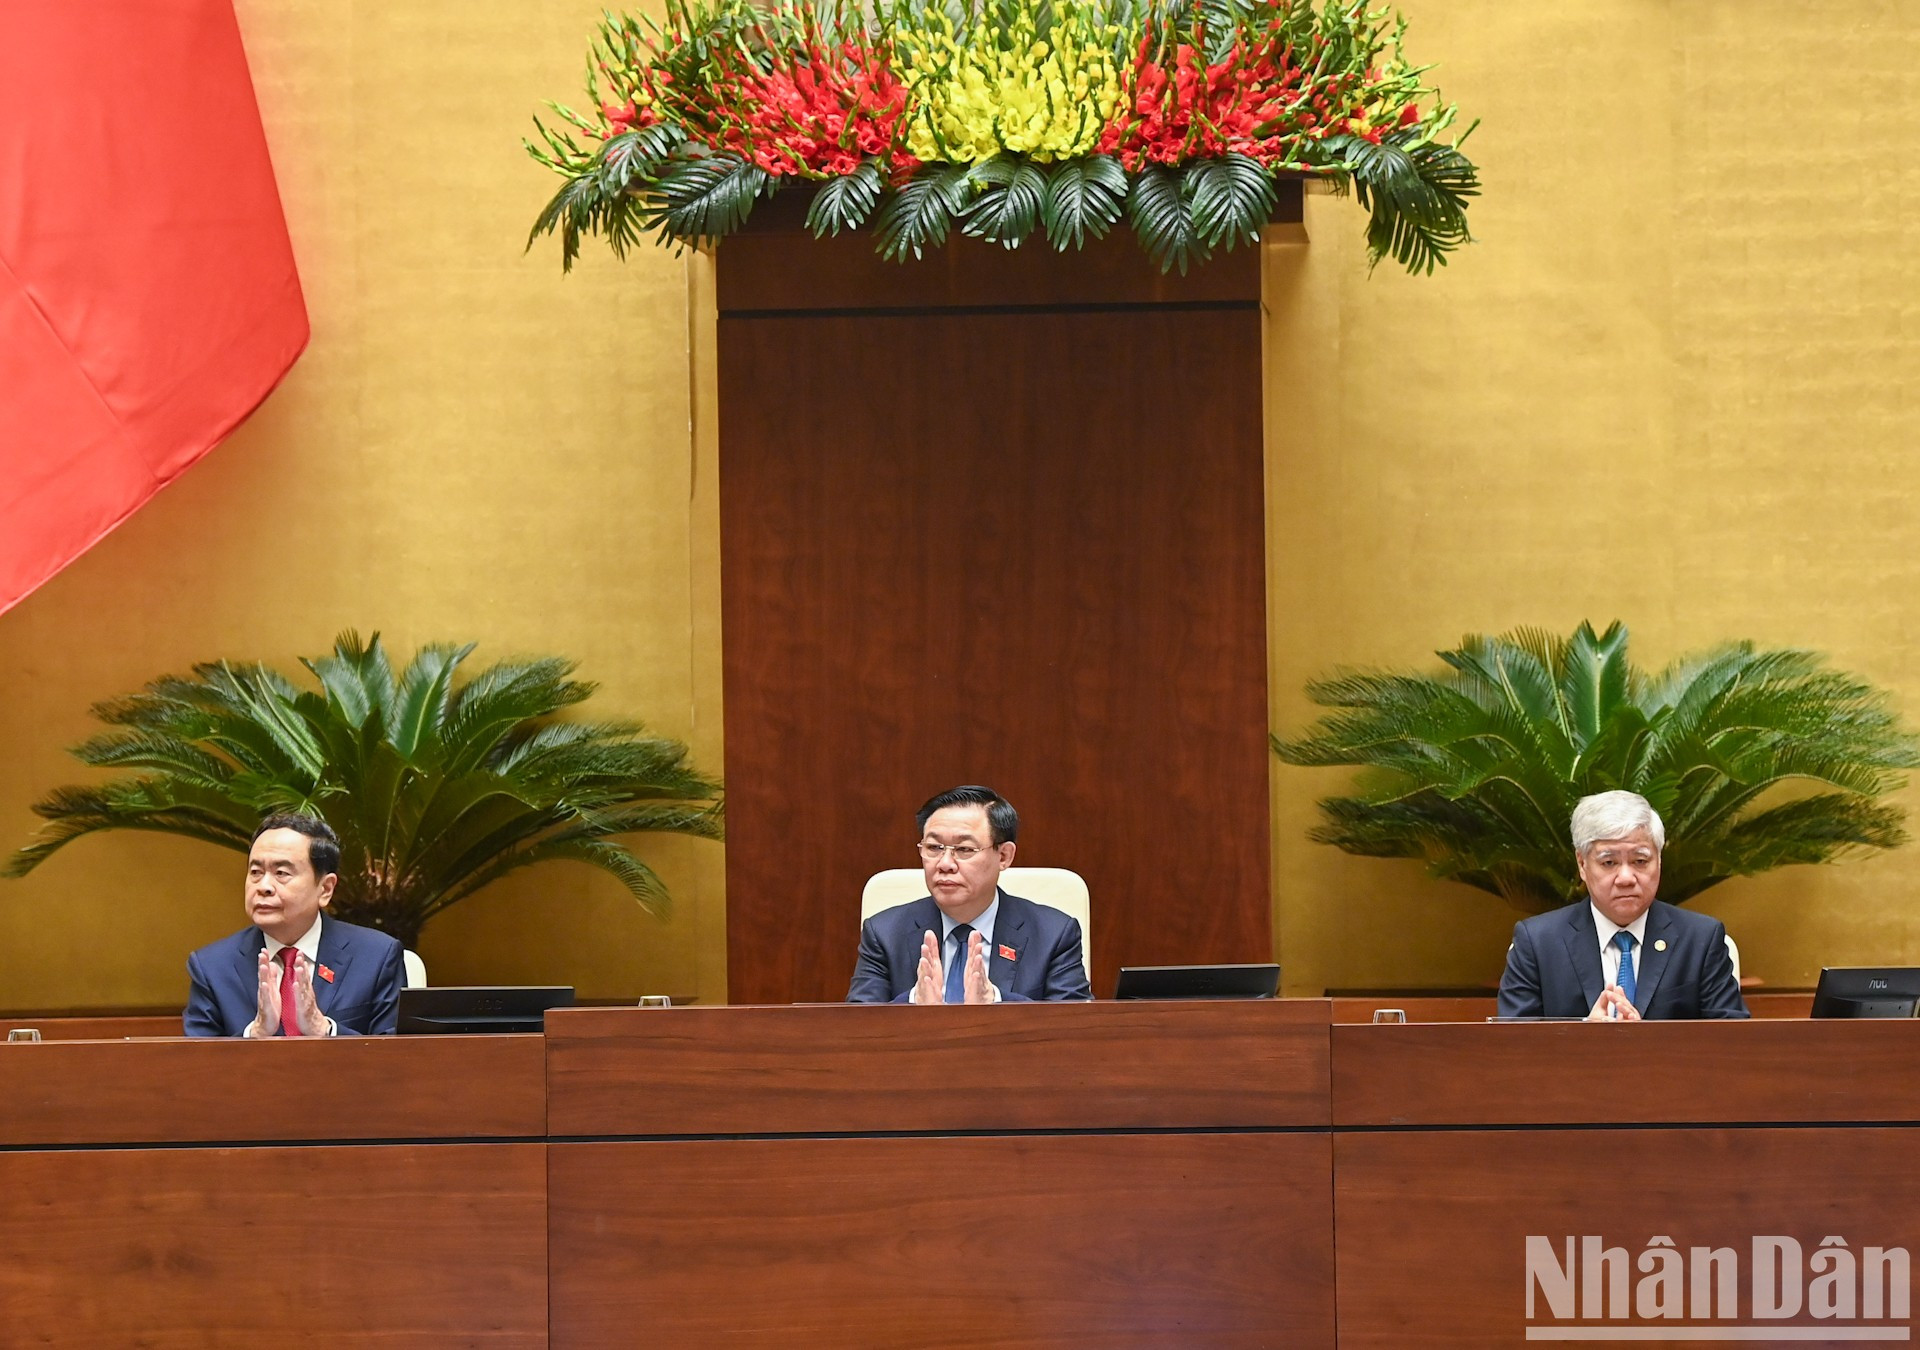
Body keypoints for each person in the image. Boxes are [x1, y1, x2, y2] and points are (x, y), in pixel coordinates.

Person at [1497, 790, 1748, 1021]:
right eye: (1609, 863)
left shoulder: (1701, 940)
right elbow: (1513, 1045)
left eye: (1640, 860)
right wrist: (1584, 1035)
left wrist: (1644, 1044)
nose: (1626, 878)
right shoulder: (1538, 943)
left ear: (1659, 861)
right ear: (1582, 864)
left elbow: (1732, 1045)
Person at [848, 785, 1091, 1003]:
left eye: (964, 849)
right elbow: (855, 1031)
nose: (944, 863)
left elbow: (1077, 1029)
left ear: (1004, 856)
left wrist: (995, 999)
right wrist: (913, 1000)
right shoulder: (884, 932)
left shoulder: (1054, 934)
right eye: (933, 847)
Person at [184, 812, 406, 1036]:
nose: (264, 886)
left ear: (325, 889)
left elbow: (396, 1059)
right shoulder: (212, 967)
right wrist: (255, 1034)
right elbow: (195, 1064)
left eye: (281, 873)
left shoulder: (376, 957)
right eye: (255, 872)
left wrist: (325, 1030)